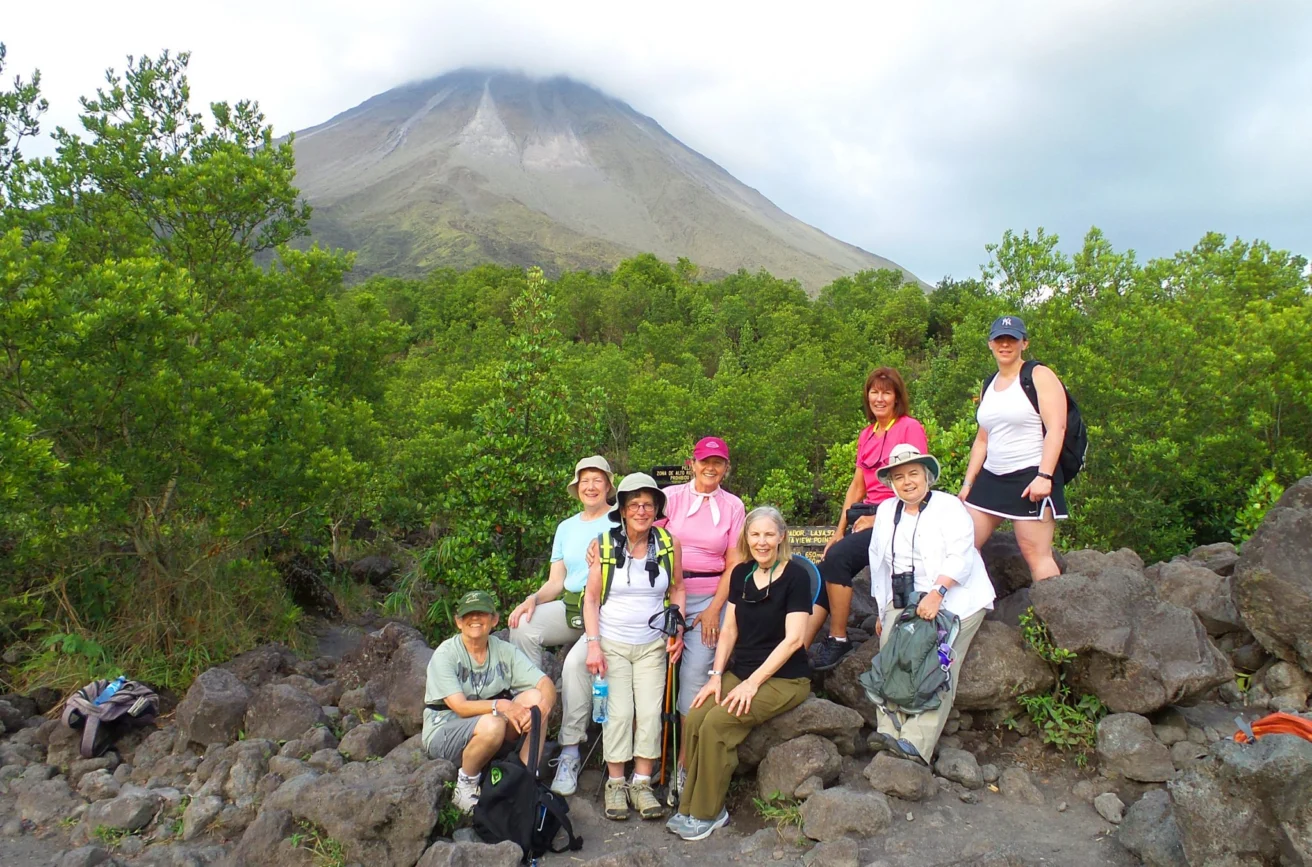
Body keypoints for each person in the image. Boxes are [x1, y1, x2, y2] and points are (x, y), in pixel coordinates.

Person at [668, 506, 812, 842]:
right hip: (742, 671)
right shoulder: (741, 574)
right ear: (746, 538)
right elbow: (729, 629)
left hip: (785, 678)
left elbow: (794, 641)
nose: (761, 541)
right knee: (698, 712)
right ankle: (688, 805)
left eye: (768, 534)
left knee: (719, 724)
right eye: (755, 534)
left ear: (781, 537)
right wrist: (716, 675)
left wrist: (752, 683)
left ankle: (709, 812)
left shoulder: (796, 577)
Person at [866, 445, 996, 765]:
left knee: (936, 662)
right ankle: (888, 730)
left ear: (927, 476)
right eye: (899, 477)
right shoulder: (885, 511)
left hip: (955, 596)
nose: (907, 482)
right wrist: (883, 609)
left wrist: (937, 593)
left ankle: (917, 740)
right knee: (889, 653)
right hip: (906, 598)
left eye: (913, 474)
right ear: (891, 483)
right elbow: (879, 562)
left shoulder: (949, 507)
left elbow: (961, 556)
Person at [507, 455, 617, 796]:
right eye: (584, 480)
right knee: (524, 626)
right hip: (572, 605)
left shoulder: (620, 520)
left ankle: (570, 750)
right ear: (576, 487)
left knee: (573, 665)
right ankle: (530, 713)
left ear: (608, 486)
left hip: (607, 608)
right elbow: (557, 581)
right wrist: (532, 599)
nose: (590, 486)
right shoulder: (566, 527)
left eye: (598, 479)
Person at [810, 367, 928, 671]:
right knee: (828, 562)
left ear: (897, 397)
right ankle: (800, 647)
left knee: (838, 559)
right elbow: (857, 485)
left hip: (899, 517)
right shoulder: (867, 434)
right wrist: (839, 530)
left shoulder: (909, 427)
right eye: (874, 392)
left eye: (886, 392)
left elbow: (916, 480)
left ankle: (838, 638)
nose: (879, 398)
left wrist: (880, 519)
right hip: (867, 515)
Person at [583, 472, 686, 821]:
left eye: (648, 505)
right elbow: (591, 598)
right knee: (620, 714)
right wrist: (593, 645)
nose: (642, 511)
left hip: (652, 645)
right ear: (623, 511)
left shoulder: (669, 544)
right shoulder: (606, 545)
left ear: (657, 509)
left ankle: (641, 783)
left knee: (649, 714)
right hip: (612, 643)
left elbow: (679, 589)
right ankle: (616, 784)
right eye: (634, 505)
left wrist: (679, 628)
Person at [655, 436, 746, 797]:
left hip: (710, 596)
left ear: (726, 467)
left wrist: (712, 610)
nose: (711, 467)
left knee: (693, 684)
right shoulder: (671, 497)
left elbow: (735, 561)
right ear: (692, 462)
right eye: (704, 461)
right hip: (662, 596)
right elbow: (642, 535)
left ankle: (684, 767)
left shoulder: (733, 505)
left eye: (718, 462)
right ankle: (640, 766)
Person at [422, 590, 557, 813]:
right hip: (444, 731)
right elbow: (460, 707)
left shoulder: (504, 651)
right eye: (468, 615)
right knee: (493, 723)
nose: (475, 619)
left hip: (489, 730)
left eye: (481, 614)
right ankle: (466, 786)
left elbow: (545, 684)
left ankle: (524, 775)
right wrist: (501, 706)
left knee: (535, 698)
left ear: (494, 619)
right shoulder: (445, 654)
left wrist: (543, 708)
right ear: (458, 622)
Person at [960, 315, 1068, 581]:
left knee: (1036, 554)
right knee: (961, 545)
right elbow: (982, 439)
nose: (1005, 345)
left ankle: (1053, 619)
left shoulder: (1038, 375)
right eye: (999, 339)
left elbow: (1057, 428)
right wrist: (968, 483)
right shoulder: (989, 384)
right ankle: (960, 613)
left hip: (1029, 476)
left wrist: (1045, 477)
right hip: (991, 477)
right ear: (990, 344)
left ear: (1024, 343)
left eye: (1012, 339)